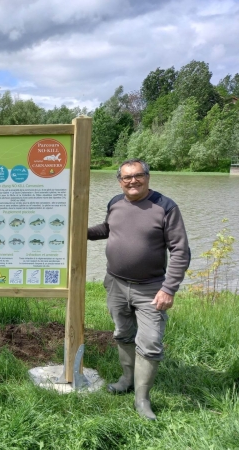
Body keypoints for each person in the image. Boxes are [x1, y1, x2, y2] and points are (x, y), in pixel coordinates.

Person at [88, 158, 190, 420]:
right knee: (122, 333)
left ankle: (142, 400)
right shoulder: (115, 202)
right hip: (116, 283)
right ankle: (126, 379)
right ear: (120, 181)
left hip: (151, 288)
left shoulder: (165, 207)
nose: (132, 181)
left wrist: (169, 288)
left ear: (147, 176)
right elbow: (109, 229)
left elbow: (180, 250)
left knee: (151, 343)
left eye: (137, 176)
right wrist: (80, 231)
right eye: (126, 177)